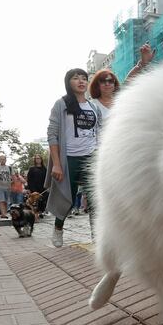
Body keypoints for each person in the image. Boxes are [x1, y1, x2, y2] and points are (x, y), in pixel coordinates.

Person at [45, 68, 101, 247]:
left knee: (95, 199)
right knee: (66, 198)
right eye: (76, 78)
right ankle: (58, 228)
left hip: (91, 158)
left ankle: (97, 236)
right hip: (69, 158)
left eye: (84, 78)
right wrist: (57, 164)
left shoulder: (93, 106)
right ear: (68, 82)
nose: (81, 81)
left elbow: (99, 132)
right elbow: (52, 134)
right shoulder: (61, 104)